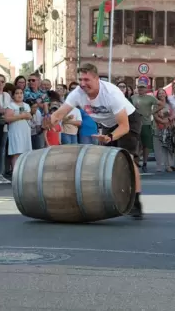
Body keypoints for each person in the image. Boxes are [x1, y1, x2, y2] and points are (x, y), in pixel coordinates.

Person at [46, 63, 144, 218]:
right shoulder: (77, 93)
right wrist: (47, 122)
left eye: (87, 80)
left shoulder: (111, 93)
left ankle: (136, 202)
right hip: (108, 124)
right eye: (80, 80)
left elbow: (124, 126)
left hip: (129, 121)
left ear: (97, 79)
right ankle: (116, 195)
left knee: (128, 158)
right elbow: (58, 114)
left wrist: (110, 137)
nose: (83, 84)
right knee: (111, 160)